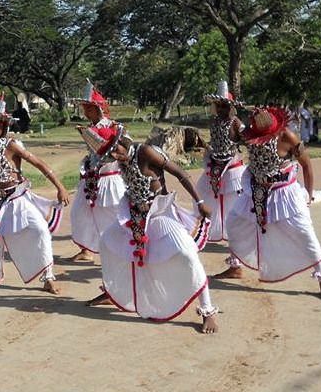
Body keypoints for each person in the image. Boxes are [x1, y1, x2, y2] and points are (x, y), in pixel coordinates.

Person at [84, 124, 219, 334]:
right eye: (109, 153)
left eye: (115, 149)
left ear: (123, 141)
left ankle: (208, 310)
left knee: (187, 254)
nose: (114, 156)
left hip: (160, 214)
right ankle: (115, 292)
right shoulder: (120, 160)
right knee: (107, 243)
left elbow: (180, 173)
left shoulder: (146, 152)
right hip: (134, 215)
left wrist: (200, 201)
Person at [0, 94, 70, 293]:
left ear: (4, 126)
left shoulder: (11, 144)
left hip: (16, 198)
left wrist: (60, 187)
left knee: (39, 231)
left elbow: (38, 163)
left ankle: (48, 277)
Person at [225, 106, 321, 301]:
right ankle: (235, 267)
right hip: (257, 192)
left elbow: (307, 165)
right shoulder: (250, 134)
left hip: (286, 194)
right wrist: (231, 118)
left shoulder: (288, 137)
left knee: (305, 234)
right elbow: (235, 137)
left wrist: (309, 195)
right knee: (234, 223)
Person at [69, 81, 126, 263]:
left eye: (89, 108)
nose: (86, 112)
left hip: (110, 178)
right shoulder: (90, 128)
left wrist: (115, 150)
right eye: (85, 108)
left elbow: (126, 149)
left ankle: (124, 248)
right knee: (79, 213)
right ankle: (87, 250)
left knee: (114, 215)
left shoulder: (115, 127)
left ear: (98, 109)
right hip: (91, 179)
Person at [196, 81, 246, 278]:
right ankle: (234, 263)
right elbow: (216, 142)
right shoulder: (214, 122)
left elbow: (245, 137)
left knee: (234, 216)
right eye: (220, 105)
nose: (223, 109)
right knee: (207, 207)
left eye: (226, 105)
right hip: (214, 169)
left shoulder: (235, 121)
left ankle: (236, 264)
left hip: (232, 172)